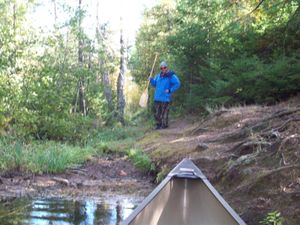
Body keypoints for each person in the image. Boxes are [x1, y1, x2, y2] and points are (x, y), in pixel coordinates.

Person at [149, 61, 181, 129]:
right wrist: (151, 80)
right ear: (160, 68)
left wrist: (170, 90)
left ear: (167, 67)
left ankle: (164, 126)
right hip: (157, 97)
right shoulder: (158, 76)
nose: (163, 69)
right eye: (161, 68)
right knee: (157, 113)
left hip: (165, 98)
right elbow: (154, 84)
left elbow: (177, 83)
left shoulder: (171, 76)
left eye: (164, 67)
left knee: (164, 113)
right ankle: (158, 125)